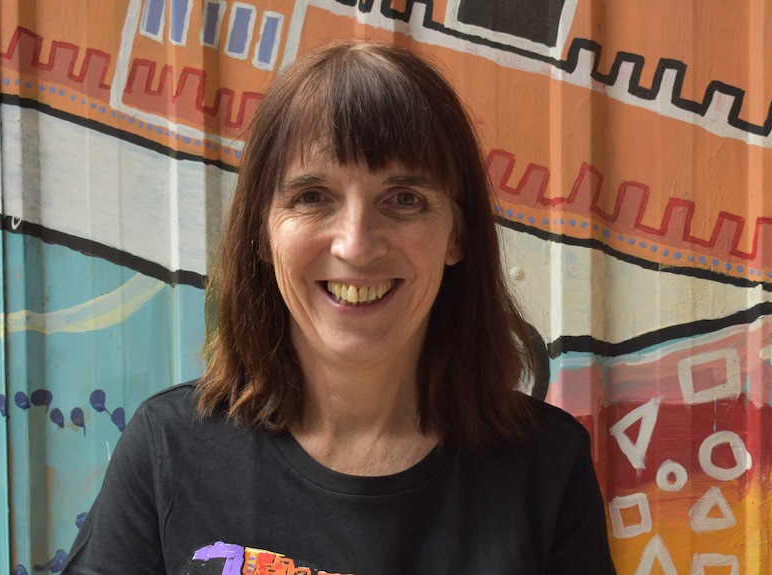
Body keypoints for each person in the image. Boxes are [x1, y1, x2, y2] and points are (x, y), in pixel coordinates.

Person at [64, 41, 616, 575]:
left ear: (457, 234)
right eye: (312, 197)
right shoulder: (169, 452)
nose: (356, 244)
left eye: (404, 199)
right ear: (262, 233)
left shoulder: (545, 466)